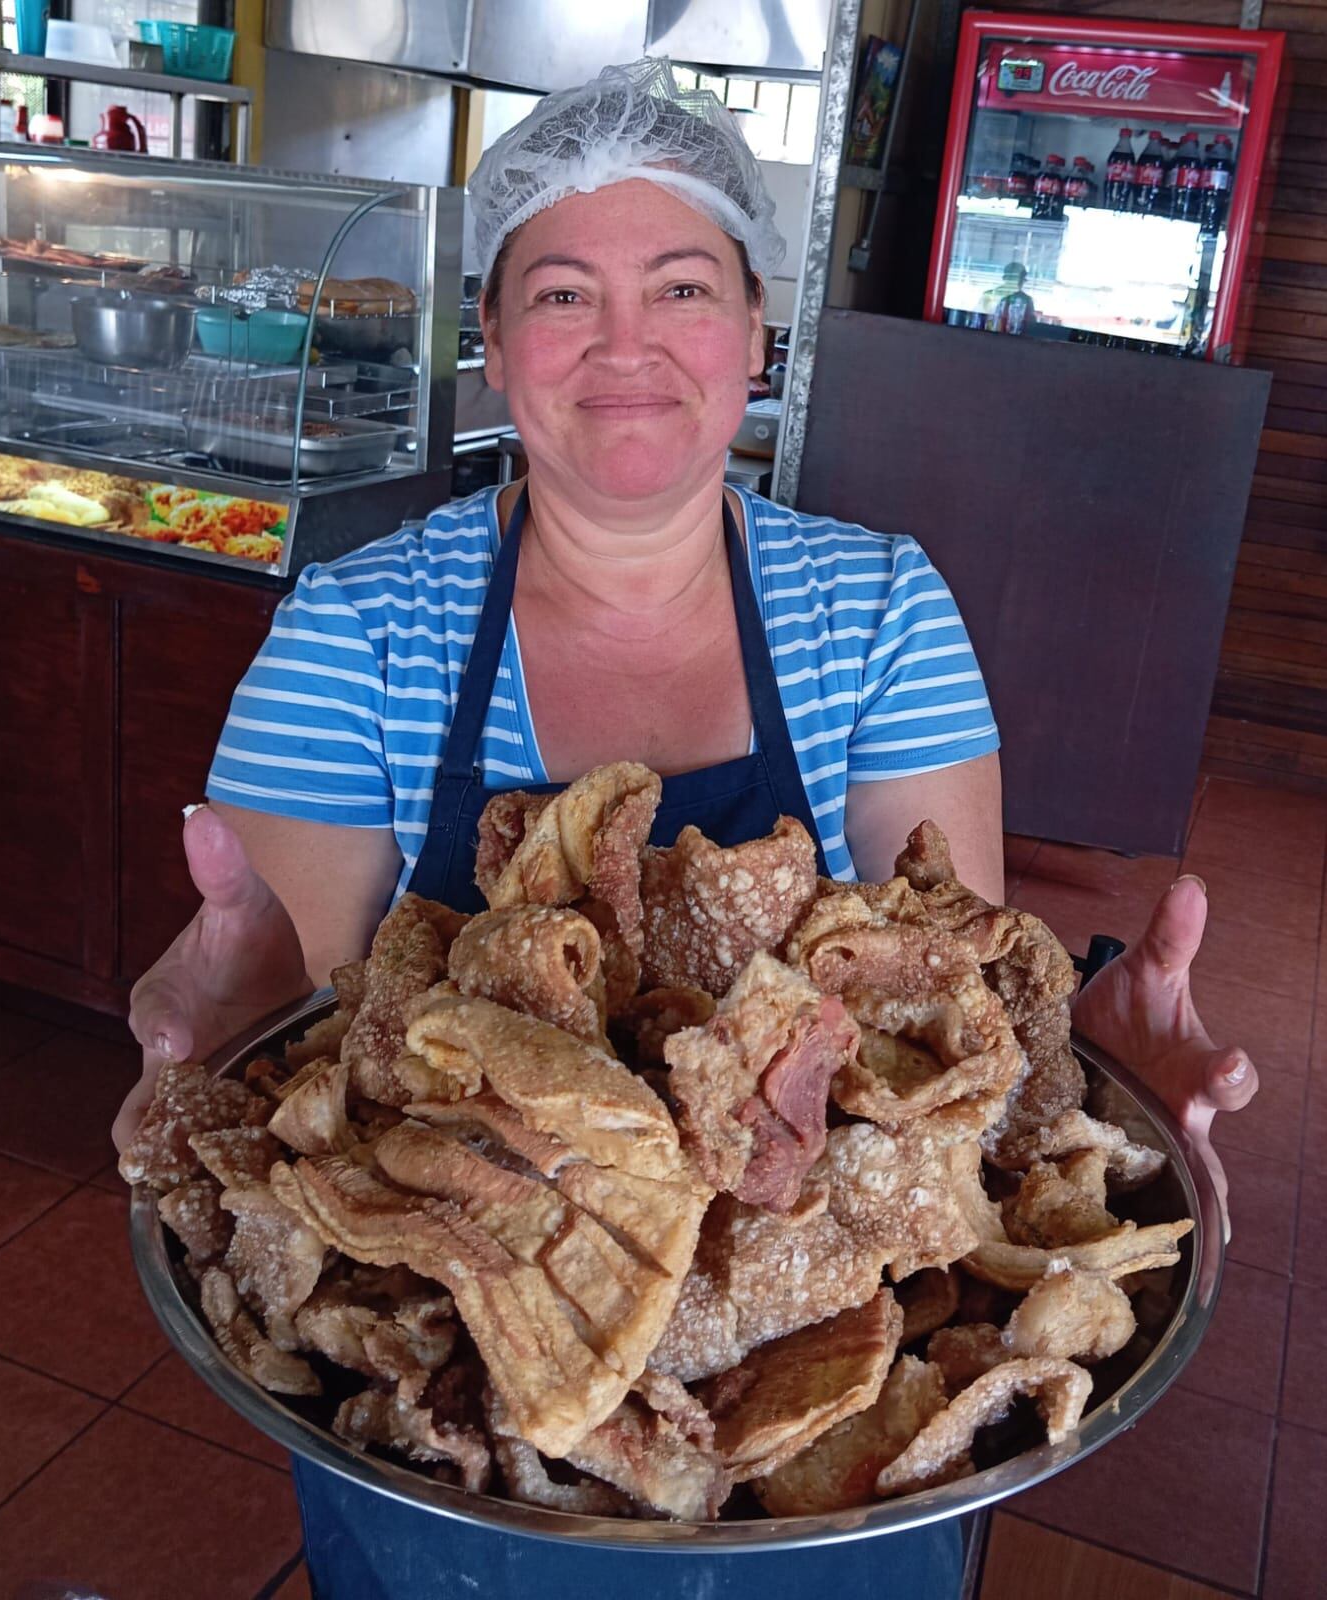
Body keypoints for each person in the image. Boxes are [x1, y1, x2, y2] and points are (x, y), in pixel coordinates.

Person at [113, 59, 1257, 1600]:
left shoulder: (877, 610)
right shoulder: (362, 630)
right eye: (565, 294)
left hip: (814, 1480)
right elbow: (332, 1056)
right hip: (466, 1490)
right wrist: (239, 999)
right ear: (498, 346)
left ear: (755, 338)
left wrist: (1070, 1055)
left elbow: (939, 1002)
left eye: (681, 287)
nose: (627, 345)